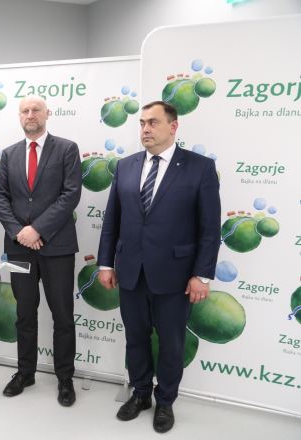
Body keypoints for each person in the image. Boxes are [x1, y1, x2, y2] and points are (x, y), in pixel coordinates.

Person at [97, 101, 221, 433]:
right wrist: (106, 263)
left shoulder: (199, 168)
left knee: (171, 342)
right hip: (131, 271)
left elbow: (210, 229)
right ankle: (140, 394)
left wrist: (201, 275)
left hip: (176, 275)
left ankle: (165, 401)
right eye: (142, 123)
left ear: (173, 126)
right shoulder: (125, 166)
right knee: (135, 337)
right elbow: (112, 221)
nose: (146, 129)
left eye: (153, 122)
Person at [0, 95, 82, 407]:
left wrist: (38, 229)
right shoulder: (9, 154)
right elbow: (0, 196)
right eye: (25, 111)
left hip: (57, 248)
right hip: (20, 249)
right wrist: (20, 233)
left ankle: (65, 378)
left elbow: (71, 194)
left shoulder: (67, 149)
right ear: (20, 116)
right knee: (24, 314)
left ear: (47, 114)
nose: (30, 115)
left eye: (36, 110)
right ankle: (25, 372)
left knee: (63, 316)